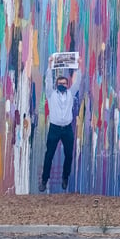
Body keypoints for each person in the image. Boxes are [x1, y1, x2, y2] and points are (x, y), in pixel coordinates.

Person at [39, 55, 81, 192]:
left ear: (67, 85)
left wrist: (78, 66)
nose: (62, 85)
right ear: (57, 85)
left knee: (69, 154)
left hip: (67, 129)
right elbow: (48, 80)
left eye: (64, 83)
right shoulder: (51, 94)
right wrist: (50, 64)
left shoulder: (70, 93)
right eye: (60, 83)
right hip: (55, 129)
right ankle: (44, 180)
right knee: (49, 155)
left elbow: (77, 82)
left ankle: (65, 177)